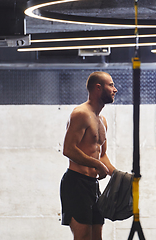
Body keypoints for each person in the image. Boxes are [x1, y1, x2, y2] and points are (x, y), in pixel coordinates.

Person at [60, 71, 118, 240]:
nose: (115, 89)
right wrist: (98, 165)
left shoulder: (102, 120)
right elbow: (68, 149)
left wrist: (118, 176)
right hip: (76, 184)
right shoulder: (81, 114)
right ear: (98, 88)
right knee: (83, 237)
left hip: (92, 186)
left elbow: (102, 155)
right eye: (111, 85)